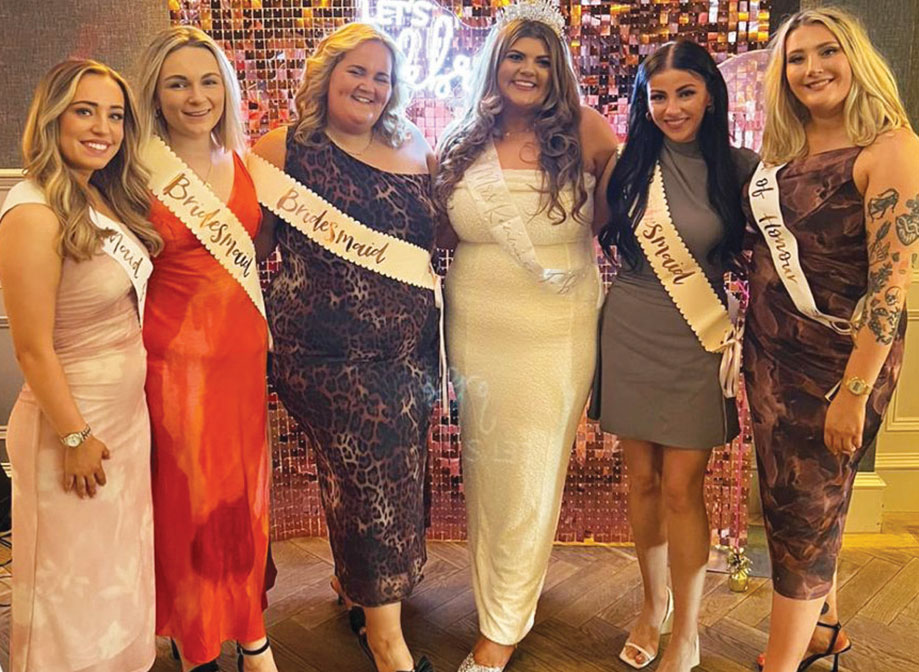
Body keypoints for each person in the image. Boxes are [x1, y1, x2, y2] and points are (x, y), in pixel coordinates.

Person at [250, 22, 438, 672]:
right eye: (356, 71)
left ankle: (355, 585)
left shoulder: (412, 142)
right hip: (326, 355)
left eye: (381, 76)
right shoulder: (285, 150)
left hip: (411, 352)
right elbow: (252, 248)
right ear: (325, 75)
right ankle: (388, 645)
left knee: (383, 477)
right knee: (368, 476)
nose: (370, 86)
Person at [434, 5, 618, 670]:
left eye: (543, 61)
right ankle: (503, 595)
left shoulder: (587, 133)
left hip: (553, 336)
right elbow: (439, 237)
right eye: (517, 57)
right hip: (476, 333)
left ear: (558, 72)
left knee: (531, 473)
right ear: (495, 64)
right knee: (489, 472)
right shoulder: (461, 140)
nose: (529, 71)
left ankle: (501, 627)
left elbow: (616, 222)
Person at [742, 8, 919, 672]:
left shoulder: (891, 148)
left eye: (826, 52)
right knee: (806, 502)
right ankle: (823, 634)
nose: (811, 68)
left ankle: (779, 662)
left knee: (801, 507)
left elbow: (890, 286)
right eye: (796, 58)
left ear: (856, 59)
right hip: (769, 355)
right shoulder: (784, 150)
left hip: (838, 362)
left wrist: (852, 392)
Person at [595, 41, 758, 672]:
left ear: (709, 93)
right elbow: (596, 234)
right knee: (641, 480)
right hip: (632, 324)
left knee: (684, 488)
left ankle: (687, 630)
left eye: (684, 92)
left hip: (698, 334)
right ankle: (651, 603)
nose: (670, 107)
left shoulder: (742, 169)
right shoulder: (626, 163)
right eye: (656, 96)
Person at [0, 59, 161, 672]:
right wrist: (74, 436)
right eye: (84, 111)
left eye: (114, 114)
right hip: (72, 425)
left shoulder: (97, 193)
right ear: (52, 117)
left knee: (112, 573)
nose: (103, 127)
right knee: (67, 587)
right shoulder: (33, 210)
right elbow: (32, 348)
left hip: (121, 420)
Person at [136, 26, 275, 672]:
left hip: (242, 360)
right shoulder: (135, 168)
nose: (196, 96)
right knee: (187, 500)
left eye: (208, 81)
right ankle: (194, 641)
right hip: (173, 365)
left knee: (244, 498)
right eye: (178, 84)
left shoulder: (245, 164)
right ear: (155, 96)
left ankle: (251, 631)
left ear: (227, 87)